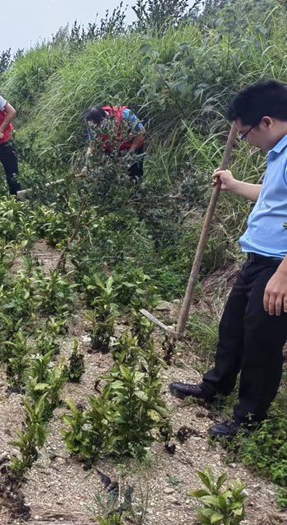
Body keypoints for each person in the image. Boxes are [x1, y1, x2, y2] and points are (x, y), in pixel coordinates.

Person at [170, 80, 287, 439]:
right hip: (257, 257)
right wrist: (235, 185)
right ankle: (215, 386)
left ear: (266, 122)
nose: (246, 141)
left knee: (262, 343)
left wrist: (284, 275)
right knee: (233, 325)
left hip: (278, 266)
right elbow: (271, 196)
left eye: (246, 132)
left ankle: (248, 419)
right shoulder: (279, 153)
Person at [83, 105, 145, 181]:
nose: (94, 129)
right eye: (92, 127)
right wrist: (87, 165)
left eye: (96, 126)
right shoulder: (92, 125)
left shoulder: (125, 114)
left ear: (103, 120)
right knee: (111, 176)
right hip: (112, 150)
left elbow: (141, 132)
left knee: (135, 176)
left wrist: (130, 153)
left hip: (132, 146)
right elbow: (92, 145)